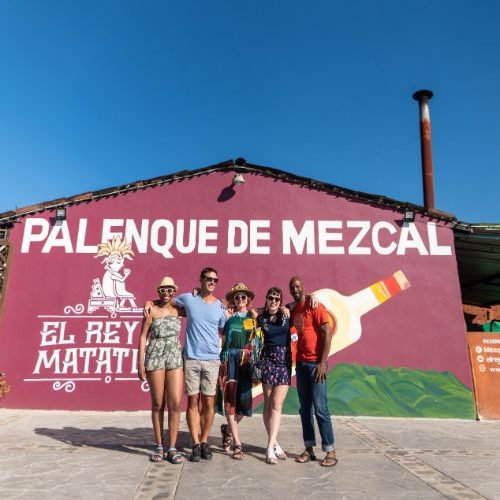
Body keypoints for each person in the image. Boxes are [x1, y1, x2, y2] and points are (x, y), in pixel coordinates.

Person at [173, 267, 227, 462]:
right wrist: (149, 303)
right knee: (193, 402)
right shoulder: (189, 298)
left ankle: (205, 441)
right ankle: (195, 443)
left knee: (209, 403)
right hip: (192, 358)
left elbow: (223, 328)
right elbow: (170, 302)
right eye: (208, 279)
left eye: (215, 279)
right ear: (201, 280)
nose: (212, 282)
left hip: (212, 359)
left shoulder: (220, 306)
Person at [289, 276, 338, 467]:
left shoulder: (315, 306)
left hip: (316, 366)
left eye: (298, 286)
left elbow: (327, 332)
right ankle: (309, 449)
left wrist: (322, 362)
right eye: (292, 287)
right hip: (301, 365)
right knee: (304, 409)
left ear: (304, 287)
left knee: (321, 409)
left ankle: (330, 451)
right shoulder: (295, 308)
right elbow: (281, 307)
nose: (295, 289)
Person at [137, 276, 185, 464]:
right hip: (155, 356)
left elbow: (200, 307)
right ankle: (159, 445)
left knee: (175, 403)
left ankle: (172, 448)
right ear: (158, 292)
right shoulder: (151, 310)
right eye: (163, 290)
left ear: (174, 291)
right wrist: (140, 363)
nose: (166, 293)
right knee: (158, 403)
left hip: (174, 356)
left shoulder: (179, 309)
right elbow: (143, 337)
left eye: (170, 290)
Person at [218, 283, 258, 460]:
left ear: (247, 299)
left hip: (247, 362)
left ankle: (226, 429)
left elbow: (258, 339)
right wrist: (222, 361)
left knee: (244, 403)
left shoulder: (253, 317)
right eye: (237, 297)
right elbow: (224, 339)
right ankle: (237, 443)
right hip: (231, 361)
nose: (240, 299)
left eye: (243, 296)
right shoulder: (229, 318)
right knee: (231, 404)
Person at [258, 287, 291, 465]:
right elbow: (245, 309)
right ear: (266, 299)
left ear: (280, 302)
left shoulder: (286, 315)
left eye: (277, 299)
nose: (273, 301)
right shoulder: (261, 317)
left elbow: (302, 300)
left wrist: (313, 296)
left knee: (277, 404)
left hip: (283, 363)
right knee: (268, 402)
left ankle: (269, 448)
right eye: (271, 298)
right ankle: (275, 443)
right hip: (268, 361)